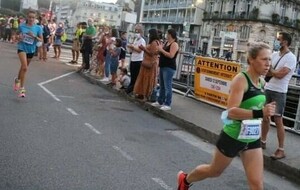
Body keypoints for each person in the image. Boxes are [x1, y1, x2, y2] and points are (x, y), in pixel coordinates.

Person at [176, 42, 276, 190]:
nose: (268, 64)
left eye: (269, 60)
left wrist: (265, 112)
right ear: (252, 60)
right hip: (233, 135)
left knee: (257, 184)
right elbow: (231, 112)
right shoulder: (241, 80)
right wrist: (260, 112)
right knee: (214, 171)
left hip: (252, 137)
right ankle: (185, 179)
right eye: (264, 59)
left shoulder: (261, 82)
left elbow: (252, 105)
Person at [261, 32, 297, 160]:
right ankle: (262, 141)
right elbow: (267, 69)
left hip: (279, 92)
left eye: (279, 40)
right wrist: (271, 70)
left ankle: (281, 149)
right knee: (265, 117)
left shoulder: (291, 58)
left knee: (278, 120)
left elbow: (280, 74)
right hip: (268, 88)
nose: (277, 41)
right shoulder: (274, 54)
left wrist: (271, 70)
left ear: (285, 42)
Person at [14, 10, 43, 98]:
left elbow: (41, 40)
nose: (31, 19)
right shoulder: (22, 26)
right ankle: (22, 89)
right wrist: (19, 37)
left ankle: (17, 80)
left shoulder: (38, 28)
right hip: (22, 48)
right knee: (25, 68)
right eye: (29, 17)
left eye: (33, 17)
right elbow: (16, 35)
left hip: (31, 50)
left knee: (23, 68)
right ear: (27, 17)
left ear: (35, 18)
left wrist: (34, 36)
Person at [151, 28, 179, 111]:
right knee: (162, 85)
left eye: (167, 34)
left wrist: (161, 50)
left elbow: (171, 55)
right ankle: (160, 101)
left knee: (168, 86)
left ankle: (168, 103)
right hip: (163, 65)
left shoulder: (174, 44)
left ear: (170, 35)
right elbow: (161, 51)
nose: (166, 35)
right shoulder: (167, 42)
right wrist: (158, 50)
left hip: (169, 67)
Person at [133, 28, 160, 101]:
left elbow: (152, 53)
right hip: (146, 62)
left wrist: (144, 49)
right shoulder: (152, 42)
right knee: (143, 78)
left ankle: (146, 95)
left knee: (147, 79)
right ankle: (141, 93)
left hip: (150, 63)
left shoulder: (154, 42)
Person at [126, 24, 146, 94]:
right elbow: (132, 49)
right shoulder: (135, 40)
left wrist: (133, 47)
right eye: (135, 30)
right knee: (132, 75)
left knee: (136, 76)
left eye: (137, 31)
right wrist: (130, 48)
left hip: (138, 60)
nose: (136, 32)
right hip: (133, 59)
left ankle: (133, 90)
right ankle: (131, 88)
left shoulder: (142, 40)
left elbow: (140, 50)